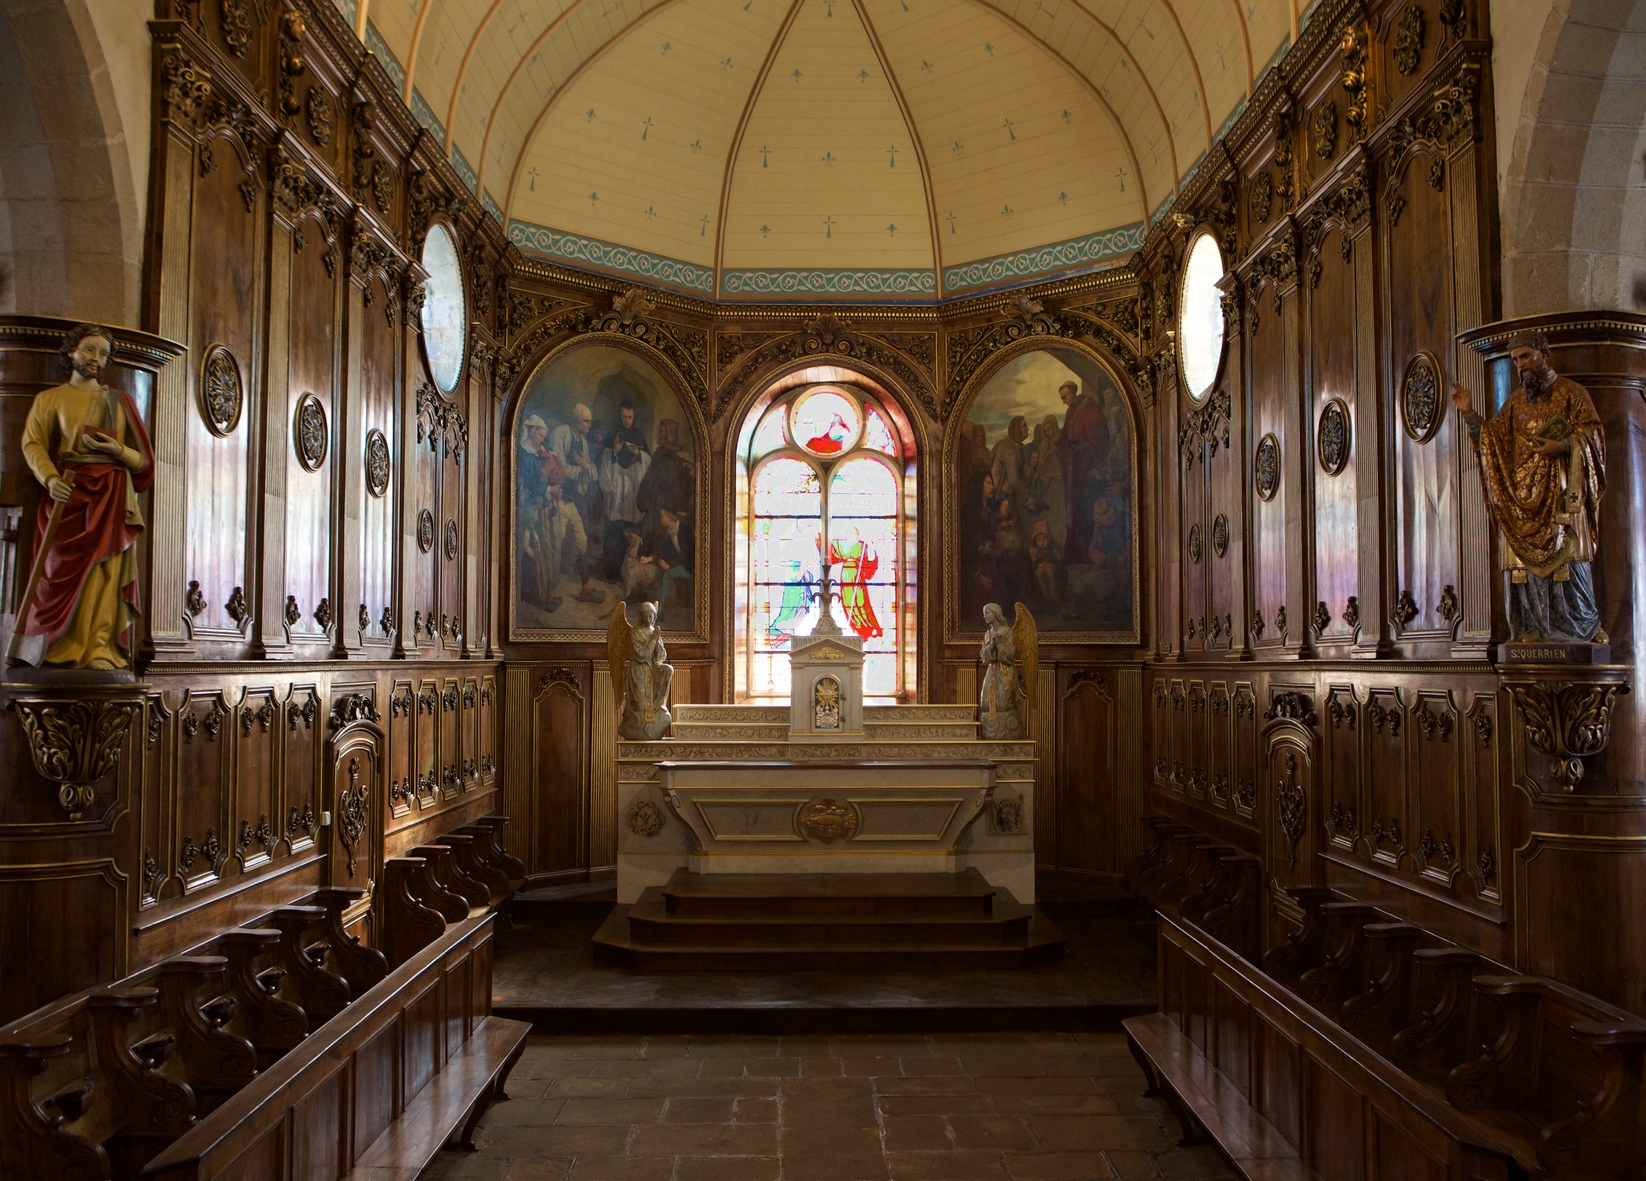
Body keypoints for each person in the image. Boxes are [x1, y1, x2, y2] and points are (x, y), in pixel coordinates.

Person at [1450, 330, 1607, 643]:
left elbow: (1594, 436)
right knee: (1523, 568)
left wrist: (1563, 445)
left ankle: (1582, 628)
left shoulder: (1571, 393)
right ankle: (1530, 628)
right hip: (1522, 499)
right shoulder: (1515, 403)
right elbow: (1493, 442)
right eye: (1515, 359)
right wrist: (1469, 413)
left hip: (1562, 496)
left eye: (1525, 356)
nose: (1519, 365)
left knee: (1569, 559)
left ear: (1543, 356)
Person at [14, 324, 155, 670]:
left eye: (103, 354)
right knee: (57, 569)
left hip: (112, 494)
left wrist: (118, 449)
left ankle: (98, 648)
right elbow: (32, 443)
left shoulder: (119, 402)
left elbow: (144, 462)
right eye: (89, 350)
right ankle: (57, 647)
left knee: (105, 572)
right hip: (69, 492)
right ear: (71, 352)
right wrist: (49, 477)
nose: (96, 359)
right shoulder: (51, 399)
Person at [550, 402, 603, 603]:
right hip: (557, 498)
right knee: (556, 542)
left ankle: (585, 587)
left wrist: (585, 469)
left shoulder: (584, 442)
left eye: (590, 420)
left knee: (581, 541)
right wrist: (581, 470)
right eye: (585, 420)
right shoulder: (560, 434)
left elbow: (593, 474)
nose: (589, 424)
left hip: (572, 500)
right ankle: (550, 589)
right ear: (575, 420)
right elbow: (558, 467)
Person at [1057, 380, 1110, 564]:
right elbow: (1064, 437)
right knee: (1075, 509)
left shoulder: (1088, 406)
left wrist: (1084, 445)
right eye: (1062, 398)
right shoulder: (1069, 412)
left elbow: (1099, 434)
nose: (1064, 401)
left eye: (1065, 396)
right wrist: (1057, 446)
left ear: (1073, 392)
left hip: (1088, 468)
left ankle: (1090, 551)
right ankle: (1077, 552)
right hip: (1075, 471)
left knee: (1086, 507)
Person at [600, 401, 650, 581]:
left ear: (634, 416)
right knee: (613, 534)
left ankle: (628, 574)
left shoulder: (638, 435)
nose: (627, 420)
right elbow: (604, 459)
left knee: (630, 535)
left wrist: (638, 453)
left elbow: (647, 461)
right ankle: (612, 572)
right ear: (619, 416)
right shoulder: (614, 433)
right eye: (623, 417)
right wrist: (615, 450)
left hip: (632, 489)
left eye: (630, 417)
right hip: (616, 488)